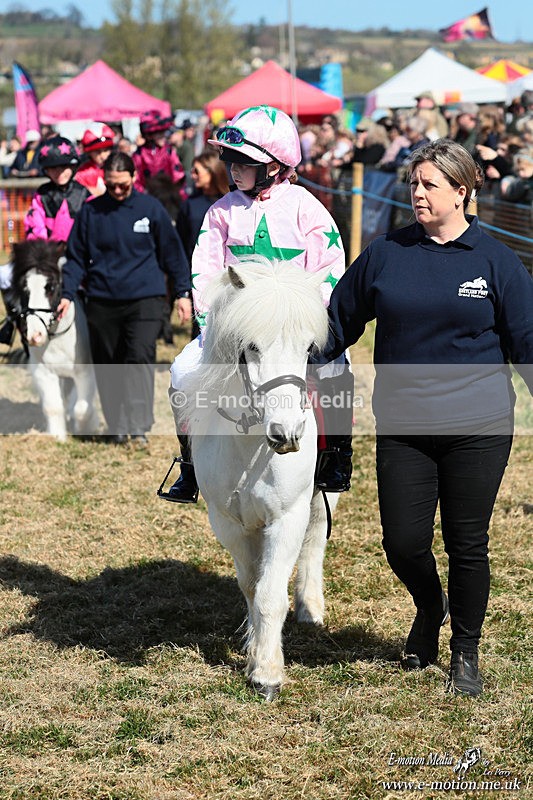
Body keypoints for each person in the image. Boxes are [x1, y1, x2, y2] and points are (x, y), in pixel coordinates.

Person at [312, 139, 533, 697]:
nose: (416, 193)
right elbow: (340, 322)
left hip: (478, 426)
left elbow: (527, 341)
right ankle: (429, 606)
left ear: (463, 192)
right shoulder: (387, 253)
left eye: (430, 184)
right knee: (402, 542)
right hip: (404, 424)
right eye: (414, 183)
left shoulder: (496, 261)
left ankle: (465, 651)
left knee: (467, 542)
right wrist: (297, 352)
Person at [162, 104, 353, 503]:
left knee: (336, 371)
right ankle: (191, 465)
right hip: (235, 332)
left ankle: (336, 457)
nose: (233, 171)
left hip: (293, 330)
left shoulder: (306, 207)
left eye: (244, 163)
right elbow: (205, 270)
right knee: (181, 370)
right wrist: (211, 323)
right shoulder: (220, 212)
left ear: (274, 166)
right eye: (230, 162)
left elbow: (331, 266)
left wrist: (305, 320)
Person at [56, 152, 192, 446]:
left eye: (123, 185)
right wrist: (67, 294)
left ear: (133, 178)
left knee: (138, 357)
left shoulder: (150, 209)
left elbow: (173, 254)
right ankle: (117, 424)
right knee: (109, 362)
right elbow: (76, 258)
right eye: (111, 185)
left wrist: (183, 292)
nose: (117, 190)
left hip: (145, 298)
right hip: (102, 300)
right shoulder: (91, 213)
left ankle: (139, 424)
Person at [175, 147, 230, 339]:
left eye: (197, 171)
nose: (192, 175)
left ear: (213, 171)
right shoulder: (189, 204)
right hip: (201, 277)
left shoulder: (231, 202)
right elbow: (180, 243)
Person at [24, 135, 89, 245]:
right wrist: (43, 251)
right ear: (46, 170)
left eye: (64, 166)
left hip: (80, 253)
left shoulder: (83, 193)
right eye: (53, 168)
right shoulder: (42, 194)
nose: (59, 172)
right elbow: (36, 225)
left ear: (73, 167)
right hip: (50, 253)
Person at [133, 111, 186, 199]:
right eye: (159, 133)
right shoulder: (139, 154)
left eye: (163, 132)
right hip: (148, 198)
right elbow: (136, 179)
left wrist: (179, 195)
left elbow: (177, 174)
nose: (163, 136)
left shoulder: (168, 151)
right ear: (149, 135)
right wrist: (144, 195)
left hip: (168, 197)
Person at [75, 123, 115, 196]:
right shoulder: (82, 174)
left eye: (106, 150)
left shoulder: (117, 167)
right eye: (98, 152)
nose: (103, 156)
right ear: (89, 152)